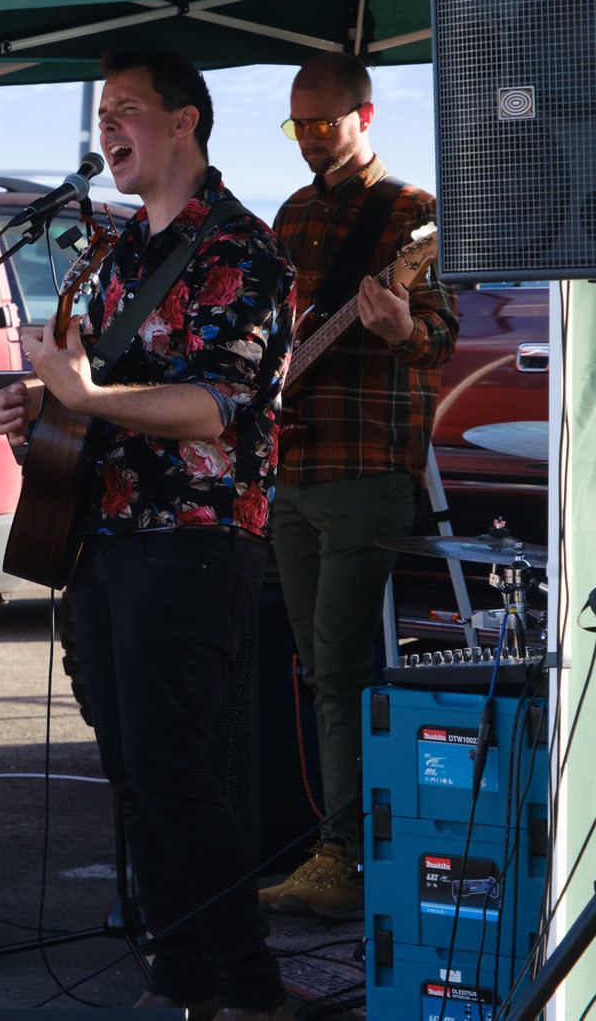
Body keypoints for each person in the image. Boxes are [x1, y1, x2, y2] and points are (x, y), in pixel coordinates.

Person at [0, 50, 294, 1021]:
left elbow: (215, 406)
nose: (106, 130)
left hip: (195, 537)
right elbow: (98, 399)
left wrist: (86, 395)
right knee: (128, 768)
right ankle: (179, 979)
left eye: (125, 110)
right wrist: (42, 409)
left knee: (173, 766)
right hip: (105, 535)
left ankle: (245, 989)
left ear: (185, 123)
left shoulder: (239, 252)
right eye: (99, 115)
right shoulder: (114, 256)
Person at [257, 52, 457, 921]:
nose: (308, 139)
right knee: (314, 663)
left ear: (364, 117)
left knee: (340, 663)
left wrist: (404, 320)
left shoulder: (412, 215)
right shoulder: (290, 212)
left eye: (323, 123)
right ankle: (332, 841)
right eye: (297, 124)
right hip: (292, 465)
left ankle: (345, 852)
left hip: (367, 463)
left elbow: (438, 342)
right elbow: (268, 341)